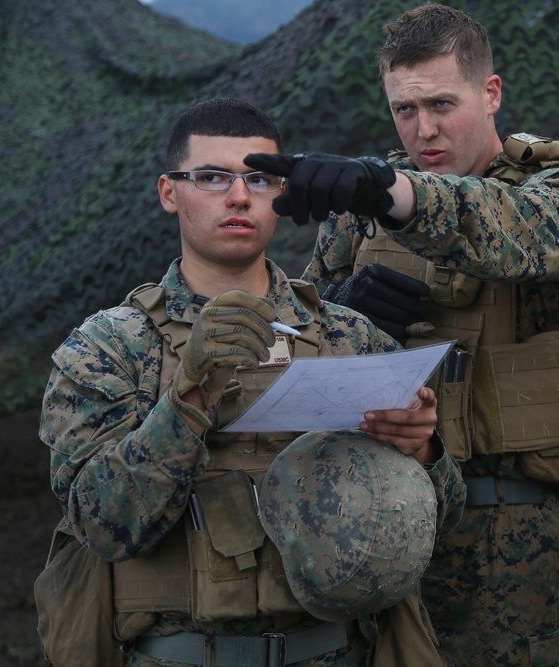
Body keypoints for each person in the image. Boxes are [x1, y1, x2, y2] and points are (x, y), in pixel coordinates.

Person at [36, 96, 465, 667]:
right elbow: (103, 525)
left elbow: (443, 519)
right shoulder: (108, 348)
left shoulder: (348, 339)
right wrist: (186, 400)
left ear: (280, 193)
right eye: (211, 177)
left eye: (259, 178)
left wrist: (424, 450)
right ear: (170, 192)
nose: (239, 196)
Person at [243, 4, 559, 665]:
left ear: (491, 92)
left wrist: (395, 193)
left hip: (502, 534)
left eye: (443, 103)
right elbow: (281, 359)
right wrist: (336, 320)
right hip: (369, 516)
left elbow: (521, 235)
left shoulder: (558, 192)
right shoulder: (362, 215)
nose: (424, 128)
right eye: (404, 110)